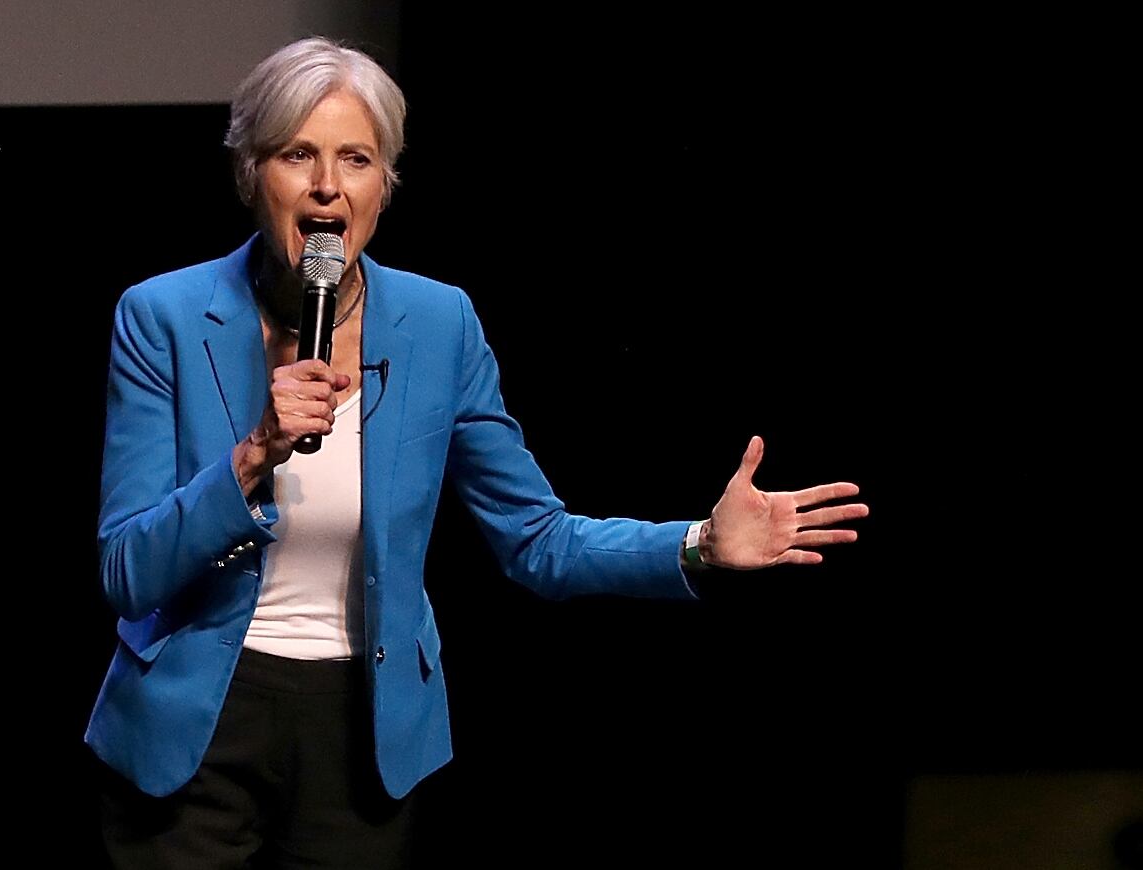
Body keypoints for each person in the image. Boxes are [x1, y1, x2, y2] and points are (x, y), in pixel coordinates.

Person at [85, 36, 868, 868]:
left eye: (356, 158)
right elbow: (126, 569)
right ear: (252, 174)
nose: (326, 184)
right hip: (191, 729)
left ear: (382, 186)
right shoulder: (162, 317)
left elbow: (537, 541)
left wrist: (698, 545)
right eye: (297, 154)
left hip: (364, 735)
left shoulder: (438, 324)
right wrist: (253, 458)